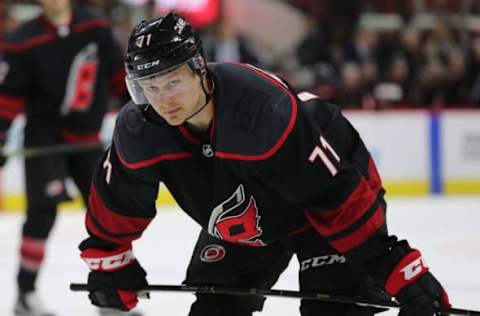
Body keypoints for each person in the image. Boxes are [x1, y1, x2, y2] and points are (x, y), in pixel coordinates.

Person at [78, 12, 451, 316]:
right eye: (149, 86)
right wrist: (110, 260)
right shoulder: (139, 127)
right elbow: (118, 199)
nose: (162, 100)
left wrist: (394, 265)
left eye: (173, 81)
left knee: (335, 310)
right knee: (215, 311)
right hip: (243, 215)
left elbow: (333, 196)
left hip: (320, 205)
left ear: (199, 69)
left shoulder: (261, 112)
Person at [0, 0, 134, 315]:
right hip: (45, 140)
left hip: (87, 140)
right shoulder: (23, 39)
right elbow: (8, 96)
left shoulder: (96, 28)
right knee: (41, 214)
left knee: (106, 215)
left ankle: (112, 294)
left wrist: (141, 114)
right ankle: (25, 295)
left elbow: (120, 78)